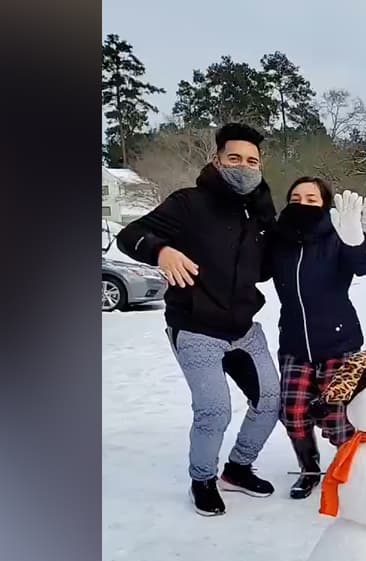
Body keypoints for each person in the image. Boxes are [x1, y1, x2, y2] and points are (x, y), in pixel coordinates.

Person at [115, 122, 281, 517]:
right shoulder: (189, 203)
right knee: (214, 411)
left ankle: (238, 468)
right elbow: (130, 235)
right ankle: (202, 479)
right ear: (217, 160)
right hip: (196, 327)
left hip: (244, 329)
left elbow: (266, 270)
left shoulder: (260, 212)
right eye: (234, 158)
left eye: (252, 161)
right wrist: (161, 251)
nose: (244, 166)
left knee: (270, 401)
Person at [268, 177, 366, 499]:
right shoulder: (279, 239)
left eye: (311, 199)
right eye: (296, 198)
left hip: (338, 341)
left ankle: (351, 468)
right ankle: (309, 469)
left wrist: (357, 239)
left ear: (325, 204)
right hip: (294, 343)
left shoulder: (337, 234)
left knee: (338, 417)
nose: (302, 204)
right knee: (292, 413)